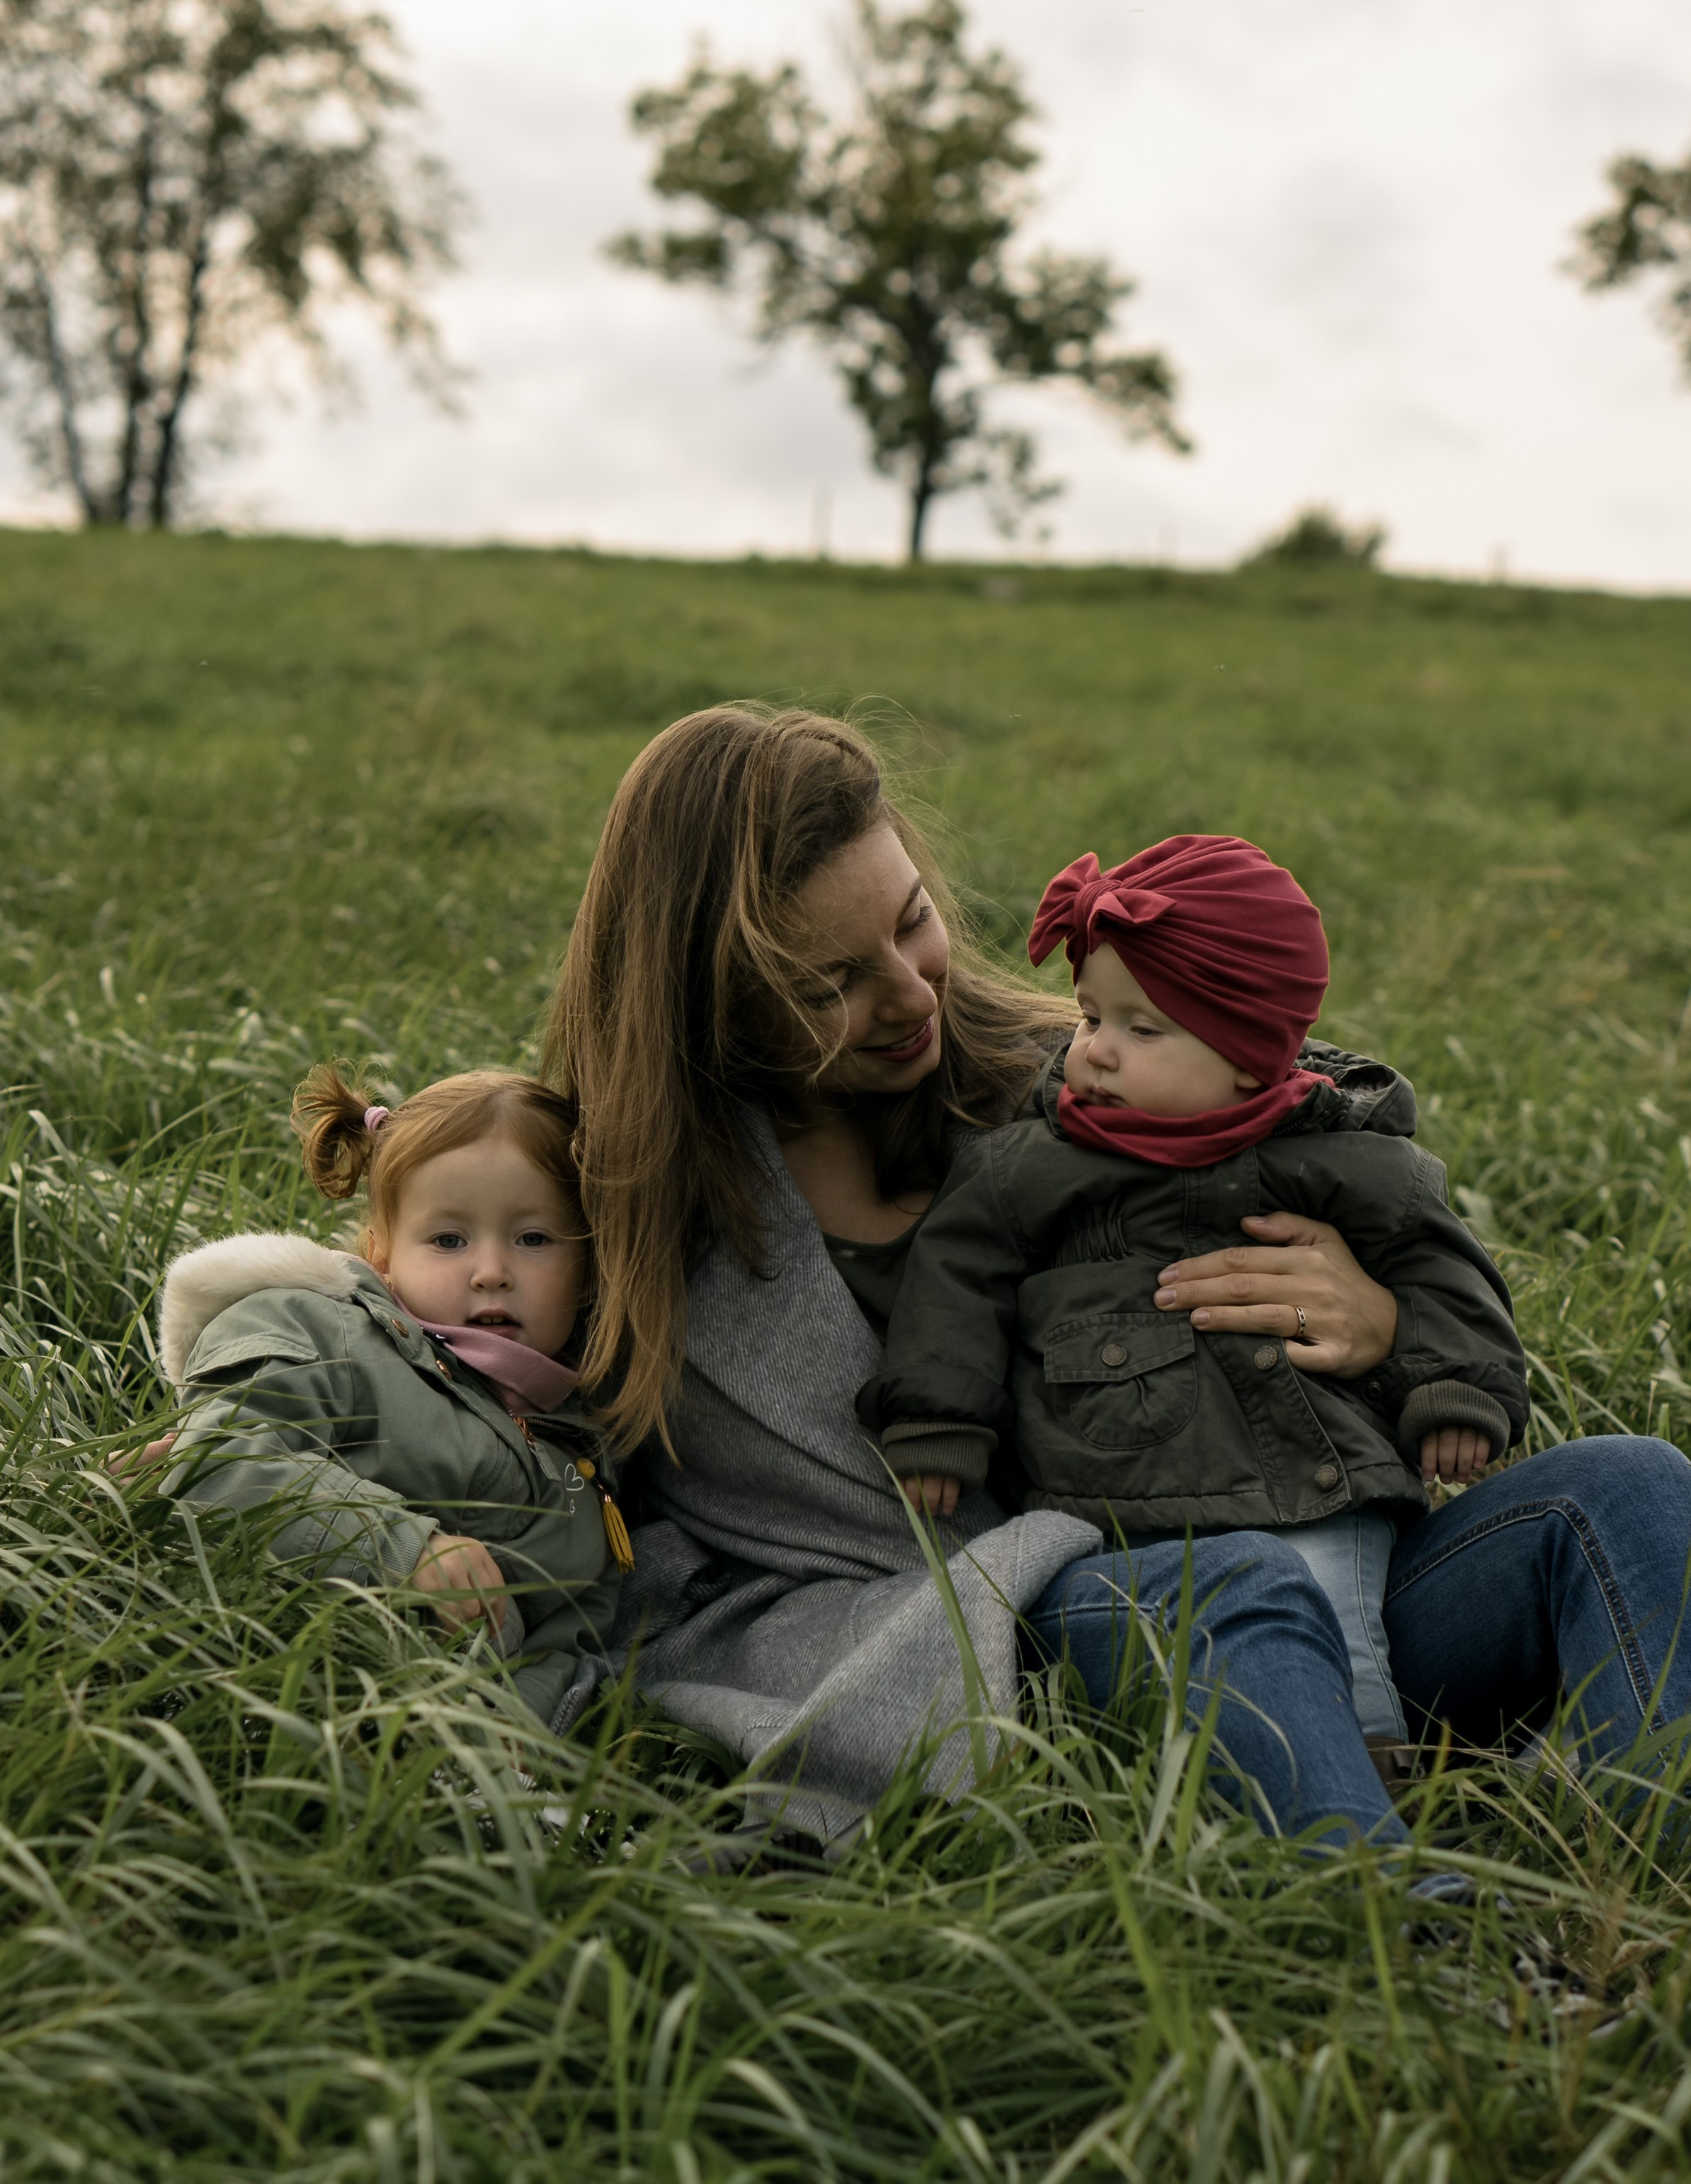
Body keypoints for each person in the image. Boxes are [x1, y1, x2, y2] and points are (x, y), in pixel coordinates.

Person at [545, 704, 1691, 1860]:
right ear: (710, 998)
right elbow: (502, 1440)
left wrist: (1382, 1319)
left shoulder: (1091, 1077)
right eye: (828, 982)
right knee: (1226, 1584)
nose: (906, 997)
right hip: (1010, 1635)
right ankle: (1398, 1944)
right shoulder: (624, 1212)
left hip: (1321, 1596)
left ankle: (1634, 1895)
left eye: (912, 922)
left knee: (1626, 1490)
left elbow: (1326, 1125)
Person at [858, 834, 1529, 1769]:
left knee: (1335, 1593)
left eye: (1143, 1029)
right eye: (1092, 1015)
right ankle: (1363, 1781)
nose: (1092, 1048)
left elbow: (1442, 1271)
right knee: (1251, 1601)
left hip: (1311, 1480)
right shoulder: (1032, 1164)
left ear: (1251, 1057)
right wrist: (938, 1421)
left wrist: (1454, 1388)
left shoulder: (1347, 1156)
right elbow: (954, 1285)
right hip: (1122, 1505)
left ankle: (1379, 1750)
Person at [154, 1066, 625, 1724]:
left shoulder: (578, 1429)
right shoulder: (326, 1332)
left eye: (534, 1239)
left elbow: (572, 1626)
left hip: (445, 1738)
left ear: (589, 1268)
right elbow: (218, 1457)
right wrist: (404, 1547)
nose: (491, 1273)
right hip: (273, 1688)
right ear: (380, 1256)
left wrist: (516, 1736)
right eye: (449, 1240)